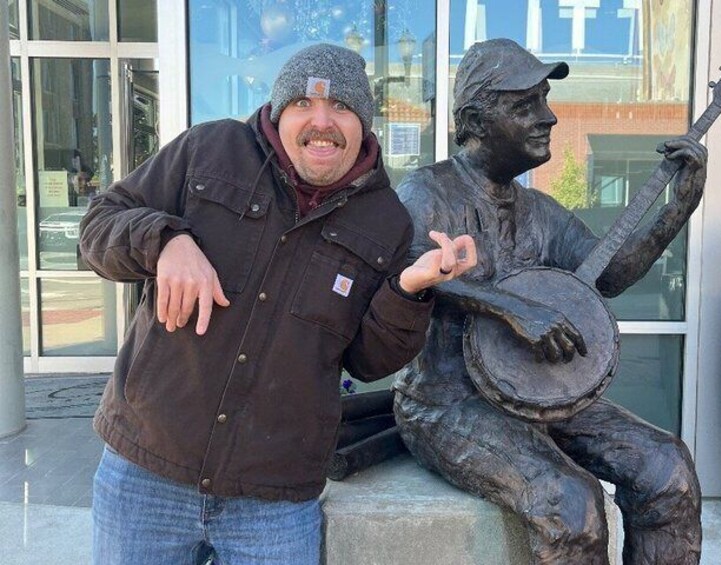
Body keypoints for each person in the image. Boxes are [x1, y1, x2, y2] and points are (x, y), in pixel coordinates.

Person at [80, 43, 475, 564]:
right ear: (278, 110)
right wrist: (165, 240)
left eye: (341, 107)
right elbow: (99, 225)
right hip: (146, 473)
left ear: (363, 123)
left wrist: (410, 289)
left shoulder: (386, 221)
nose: (321, 122)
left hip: (274, 503)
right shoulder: (210, 149)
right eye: (303, 104)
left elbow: (368, 360)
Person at [393, 38, 704, 565]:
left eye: (544, 99)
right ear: (475, 121)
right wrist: (512, 308)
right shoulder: (429, 190)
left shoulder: (541, 210)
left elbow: (611, 275)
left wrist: (678, 208)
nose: (549, 117)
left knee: (666, 466)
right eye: (525, 105)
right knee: (570, 501)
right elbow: (409, 268)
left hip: (540, 395)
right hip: (448, 403)